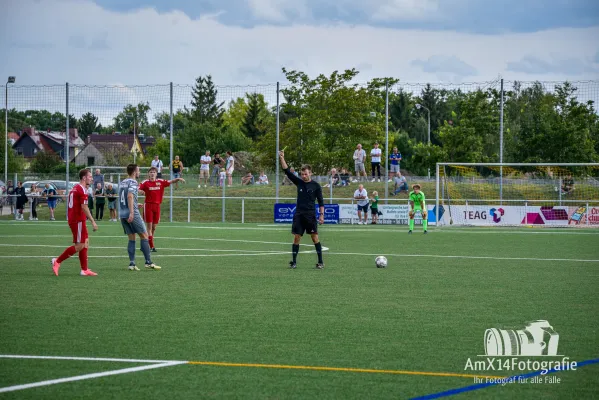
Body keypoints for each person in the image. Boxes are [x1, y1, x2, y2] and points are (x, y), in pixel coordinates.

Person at [279, 150, 325, 269]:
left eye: (305, 174)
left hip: (310, 215)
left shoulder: (316, 186)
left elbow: (321, 201)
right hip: (299, 214)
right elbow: (287, 171)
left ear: (310, 173)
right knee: (296, 237)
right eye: (302, 174)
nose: (303, 176)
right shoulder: (299, 182)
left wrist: (321, 215)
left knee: (314, 237)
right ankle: (293, 262)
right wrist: (282, 157)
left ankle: (320, 262)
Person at [51, 169, 98, 276]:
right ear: (84, 178)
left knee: (85, 242)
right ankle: (57, 261)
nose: (91, 178)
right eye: (90, 176)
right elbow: (84, 207)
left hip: (76, 219)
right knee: (80, 245)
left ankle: (84, 270)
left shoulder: (76, 187)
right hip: (77, 220)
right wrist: (93, 221)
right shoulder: (82, 189)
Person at [119, 164, 161, 271]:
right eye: (138, 170)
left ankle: (132, 264)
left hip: (122, 213)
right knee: (144, 235)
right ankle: (148, 262)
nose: (139, 172)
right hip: (131, 213)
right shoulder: (133, 182)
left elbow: (122, 198)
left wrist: (134, 205)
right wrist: (132, 212)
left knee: (131, 238)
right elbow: (129, 196)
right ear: (134, 172)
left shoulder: (123, 182)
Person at [139, 166, 185, 252]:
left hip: (157, 206)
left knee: (154, 227)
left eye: (154, 172)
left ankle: (145, 243)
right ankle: (151, 246)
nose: (152, 173)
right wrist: (140, 191)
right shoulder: (145, 182)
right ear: (148, 174)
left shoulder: (160, 182)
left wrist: (178, 178)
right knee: (148, 227)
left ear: (156, 174)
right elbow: (138, 188)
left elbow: (170, 181)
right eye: (151, 172)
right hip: (148, 205)